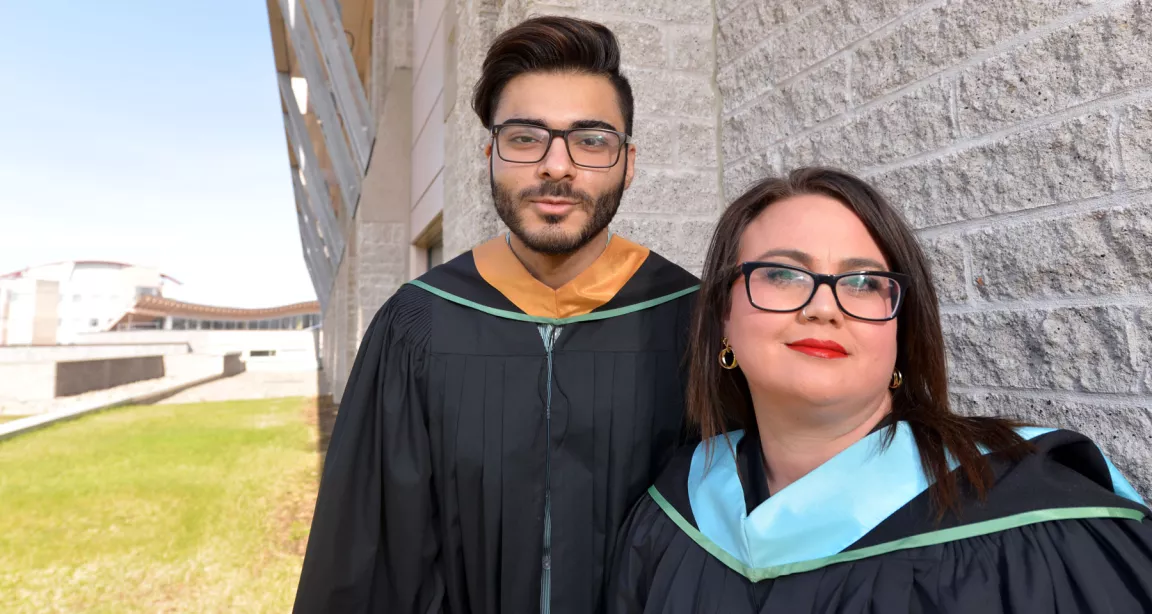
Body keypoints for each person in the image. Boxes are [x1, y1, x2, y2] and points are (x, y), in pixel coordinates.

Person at [292, 16, 699, 614]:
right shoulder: (417, 327)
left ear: (628, 161)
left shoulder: (694, 323)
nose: (557, 166)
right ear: (489, 153)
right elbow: (366, 564)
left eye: (590, 139)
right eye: (525, 137)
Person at [607, 167, 1152, 612]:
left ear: (900, 328)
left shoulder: (1040, 524)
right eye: (781, 274)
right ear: (723, 317)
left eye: (865, 283)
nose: (823, 307)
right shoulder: (677, 507)